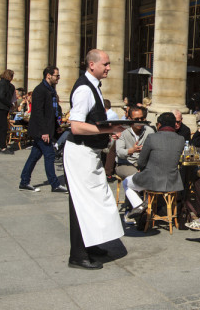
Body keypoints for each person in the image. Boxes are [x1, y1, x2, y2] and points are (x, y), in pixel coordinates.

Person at [63, 49, 127, 270]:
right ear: (92, 65)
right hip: (80, 153)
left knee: (96, 201)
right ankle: (78, 255)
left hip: (89, 153)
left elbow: (92, 123)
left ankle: (90, 245)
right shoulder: (84, 89)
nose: (109, 67)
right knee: (82, 204)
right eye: (106, 64)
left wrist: (109, 129)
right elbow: (77, 126)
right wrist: (106, 129)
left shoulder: (94, 87)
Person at [124, 112, 186, 218]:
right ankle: (144, 206)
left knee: (126, 182)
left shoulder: (152, 137)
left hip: (152, 180)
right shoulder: (181, 139)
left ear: (159, 125)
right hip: (172, 181)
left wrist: (142, 169)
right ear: (174, 124)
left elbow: (141, 162)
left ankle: (139, 205)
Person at [18, 66, 68, 193]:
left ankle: (24, 181)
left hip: (46, 129)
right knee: (50, 155)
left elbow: (51, 112)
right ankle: (55, 184)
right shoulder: (40, 90)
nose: (58, 78)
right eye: (57, 75)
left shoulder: (49, 90)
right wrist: (44, 131)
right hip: (41, 131)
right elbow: (38, 113)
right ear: (48, 76)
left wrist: (57, 127)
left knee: (34, 156)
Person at [115, 105, 154, 179]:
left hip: (143, 164)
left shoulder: (149, 131)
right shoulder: (122, 131)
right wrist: (131, 151)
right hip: (125, 164)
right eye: (136, 119)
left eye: (142, 118)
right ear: (130, 119)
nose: (139, 121)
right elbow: (119, 152)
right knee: (138, 177)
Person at [0, 69, 16, 154]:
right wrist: (10, 104)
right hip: (2, 106)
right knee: (3, 127)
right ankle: (2, 147)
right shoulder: (6, 85)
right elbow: (2, 96)